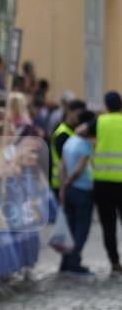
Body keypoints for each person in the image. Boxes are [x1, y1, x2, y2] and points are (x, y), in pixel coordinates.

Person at [59, 110, 97, 276]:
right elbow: (79, 170)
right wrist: (69, 182)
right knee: (82, 229)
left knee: (70, 227)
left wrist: (62, 187)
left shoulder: (69, 141)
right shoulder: (85, 145)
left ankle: (65, 262)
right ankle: (75, 261)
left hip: (69, 191)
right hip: (82, 189)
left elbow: (62, 166)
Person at [92, 90, 122, 275]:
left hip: (103, 182)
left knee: (108, 226)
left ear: (105, 105)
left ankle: (115, 263)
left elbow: (79, 132)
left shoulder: (100, 122)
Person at [49, 99, 86, 193]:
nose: (81, 118)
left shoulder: (73, 131)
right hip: (61, 183)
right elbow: (66, 160)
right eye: (79, 114)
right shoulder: (63, 133)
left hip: (71, 182)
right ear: (70, 113)